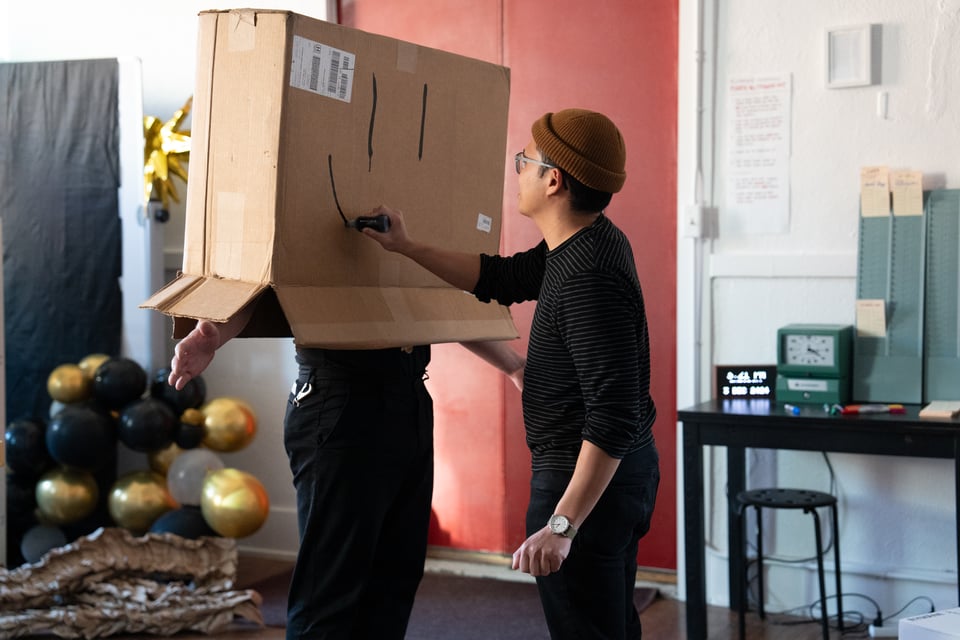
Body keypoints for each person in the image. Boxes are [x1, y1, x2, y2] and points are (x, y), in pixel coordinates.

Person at [360, 108, 660, 639]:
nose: (516, 168)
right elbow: (500, 277)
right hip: (594, 479)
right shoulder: (582, 242)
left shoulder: (589, 276)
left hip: (584, 485)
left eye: (525, 160)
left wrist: (563, 526)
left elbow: (614, 416)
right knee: (606, 625)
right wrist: (405, 246)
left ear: (554, 180)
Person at [168, 307, 523, 639]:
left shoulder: (417, 241)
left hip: (410, 396)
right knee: (330, 588)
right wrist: (215, 334)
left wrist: (512, 366)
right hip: (339, 400)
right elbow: (270, 281)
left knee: (395, 576)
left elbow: (439, 297)